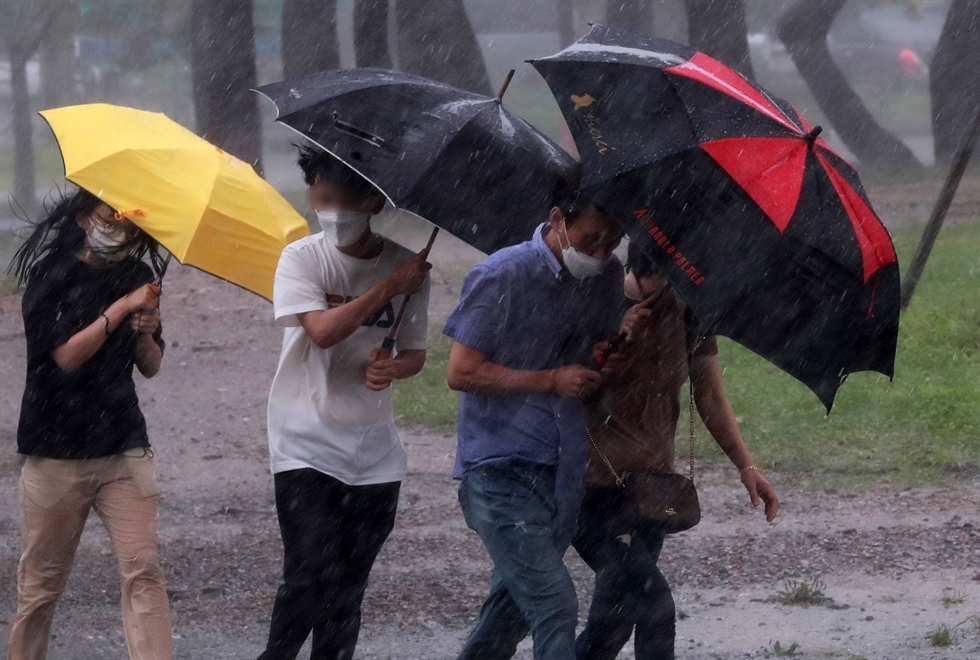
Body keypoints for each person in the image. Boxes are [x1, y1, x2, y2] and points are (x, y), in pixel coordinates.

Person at [258, 145, 432, 660]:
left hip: (375, 451)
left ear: (375, 203)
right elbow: (325, 332)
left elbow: (417, 354)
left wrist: (393, 367)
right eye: (323, 197)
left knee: (348, 589)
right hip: (303, 440)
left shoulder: (408, 268)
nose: (333, 212)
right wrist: (386, 289)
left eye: (347, 201)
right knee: (308, 573)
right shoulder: (301, 258)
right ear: (312, 196)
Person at [444, 188, 630, 660]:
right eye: (591, 239)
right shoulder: (500, 275)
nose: (600, 253)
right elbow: (461, 372)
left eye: (613, 242)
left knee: (508, 614)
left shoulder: (607, 277)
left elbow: (592, 356)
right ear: (557, 219)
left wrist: (608, 354)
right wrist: (551, 379)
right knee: (554, 604)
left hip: (565, 467)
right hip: (498, 469)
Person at [572, 240, 781, 660]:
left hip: (650, 491)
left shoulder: (691, 311)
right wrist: (612, 345)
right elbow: (563, 384)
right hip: (589, 486)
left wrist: (747, 467)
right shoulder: (597, 297)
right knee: (654, 605)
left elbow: (710, 397)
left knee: (614, 619)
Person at [7, 189, 170, 660]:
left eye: (131, 219)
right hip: (55, 449)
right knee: (41, 584)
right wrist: (120, 309)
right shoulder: (50, 276)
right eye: (110, 215)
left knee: (143, 569)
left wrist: (145, 329)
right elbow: (65, 357)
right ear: (83, 218)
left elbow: (152, 365)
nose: (120, 226)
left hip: (123, 446)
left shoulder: (140, 276)